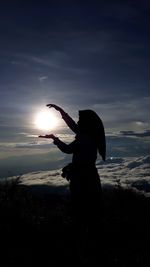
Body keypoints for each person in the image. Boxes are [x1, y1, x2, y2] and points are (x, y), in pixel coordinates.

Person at [39, 104, 106, 230]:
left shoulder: (84, 138)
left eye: (81, 120)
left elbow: (68, 149)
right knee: (93, 208)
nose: (78, 122)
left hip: (82, 178)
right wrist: (60, 111)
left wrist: (56, 139)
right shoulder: (89, 135)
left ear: (86, 123)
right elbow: (73, 125)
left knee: (82, 209)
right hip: (90, 175)